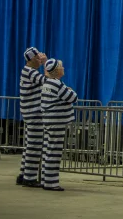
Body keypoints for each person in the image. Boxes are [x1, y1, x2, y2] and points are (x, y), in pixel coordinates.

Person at [41, 58, 78, 191]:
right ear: (57, 70)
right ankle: (51, 183)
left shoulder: (47, 83)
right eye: (61, 67)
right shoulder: (57, 84)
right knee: (54, 152)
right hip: (56, 121)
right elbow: (73, 97)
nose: (63, 69)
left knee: (47, 150)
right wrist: (70, 90)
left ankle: (46, 179)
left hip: (48, 121)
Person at [17, 47, 48, 187]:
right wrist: (47, 63)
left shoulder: (27, 71)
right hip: (34, 113)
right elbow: (48, 80)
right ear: (31, 60)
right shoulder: (31, 72)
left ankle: (23, 174)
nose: (39, 60)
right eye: (37, 58)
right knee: (34, 147)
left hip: (29, 113)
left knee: (29, 144)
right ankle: (29, 178)